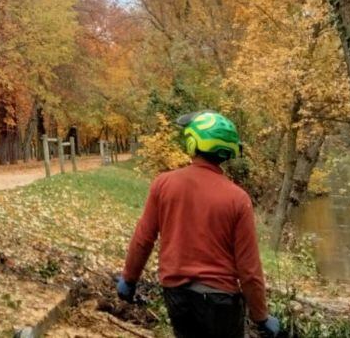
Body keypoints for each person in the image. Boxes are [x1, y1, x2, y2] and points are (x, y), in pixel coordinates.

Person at [116, 111, 282, 338]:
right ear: (228, 152)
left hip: (177, 296)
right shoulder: (238, 198)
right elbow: (249, 267)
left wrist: (129, 279)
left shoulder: (163, 184)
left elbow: (143, 238)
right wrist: (260, 315)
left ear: (192, 143)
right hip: (221, 302)